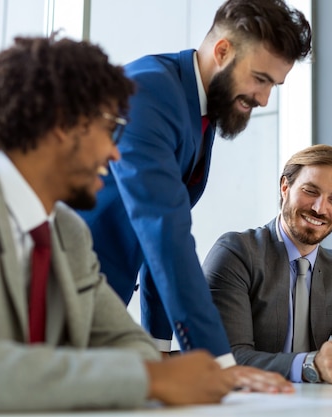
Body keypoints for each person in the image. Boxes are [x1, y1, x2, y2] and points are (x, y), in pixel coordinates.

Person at [0, 35, 291, 413]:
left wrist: (156, 370)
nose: (116, 151)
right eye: (110, 127)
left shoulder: (69, 233)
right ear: (65, 124)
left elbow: (131, 345)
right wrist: (150, 379)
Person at [78, 0, 312, 365]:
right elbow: (165, 233)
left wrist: (159, 347)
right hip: (56, 292)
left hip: (95, 303)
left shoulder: (201, 106)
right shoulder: (148, 93)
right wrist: (219, 364)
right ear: (223, 51)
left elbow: (158, 238)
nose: (264, 99)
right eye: (260, 79)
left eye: (274, 86)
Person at [202, 145, 332, 384]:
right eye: (310, 191)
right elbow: (226, 359)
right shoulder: (235, 253)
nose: (320, 208)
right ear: (285, 187)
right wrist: (310, 365)